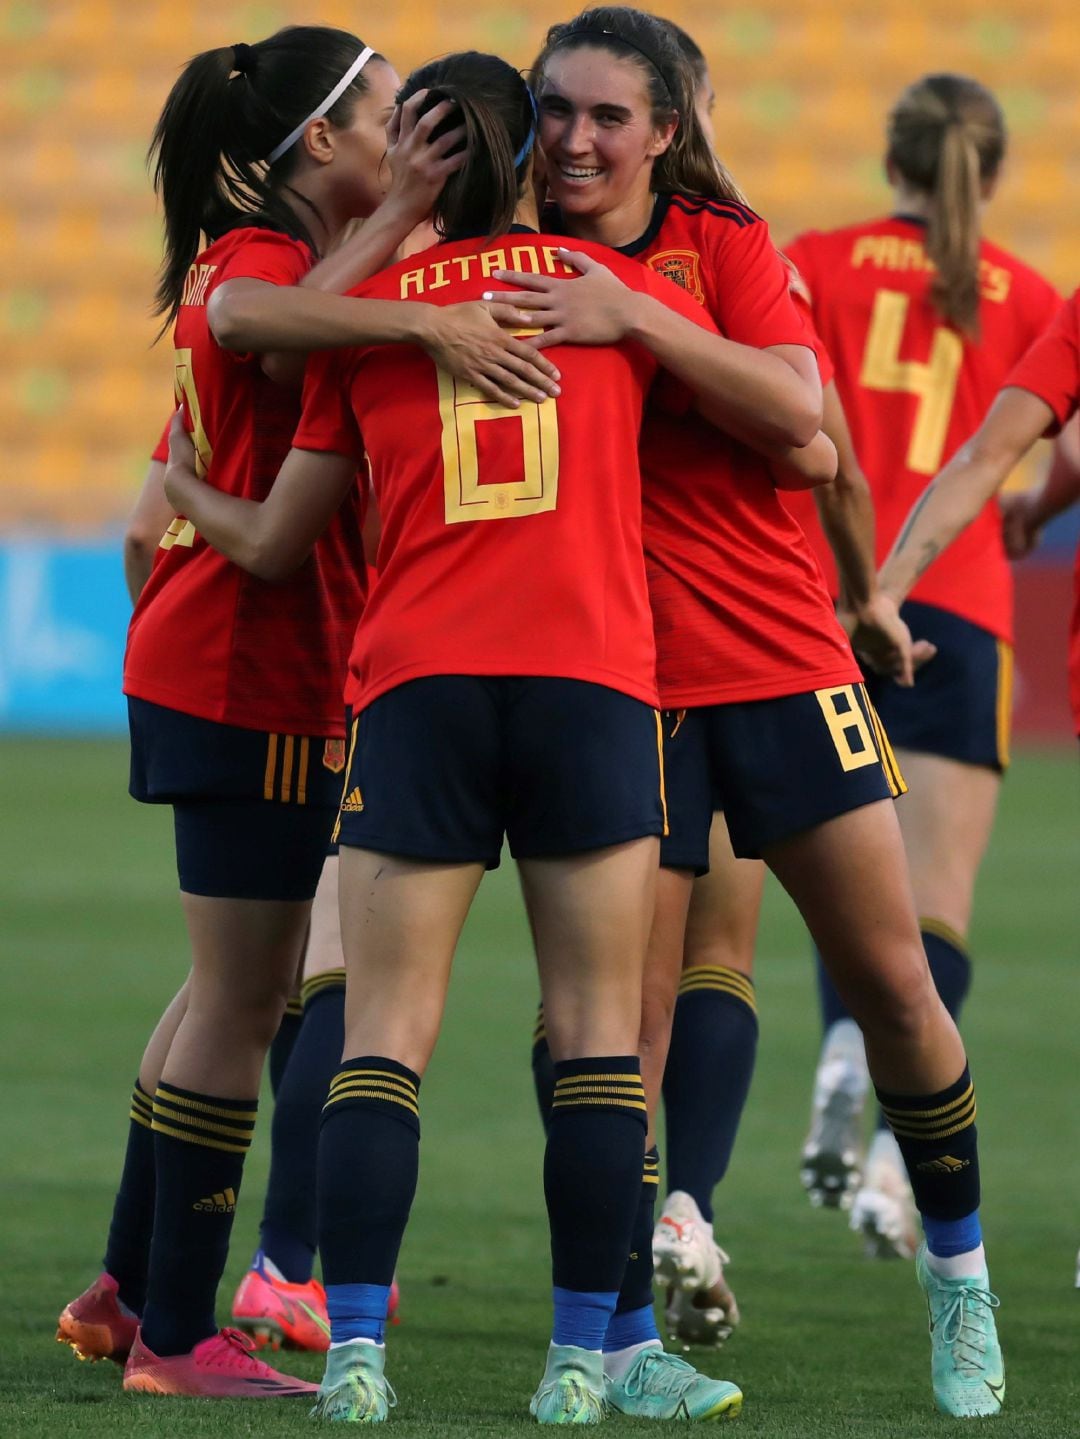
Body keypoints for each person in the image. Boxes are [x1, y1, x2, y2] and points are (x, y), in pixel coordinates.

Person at [163, 45, 746, 1428]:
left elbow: (284, 521)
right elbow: (782, 439)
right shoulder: (611, 297)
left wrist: (179, 483)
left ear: (425, 153)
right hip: (591, 686)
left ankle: (354, 1353)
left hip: (415, 689)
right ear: (534, 151)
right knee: (601, 1036)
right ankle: (577, 1362)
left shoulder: (357, 313)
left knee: (383, 1033)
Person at [495, 7, 1005, 1416]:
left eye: (609, 115)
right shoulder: (506, 243)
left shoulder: (721, 245)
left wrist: (638, 317)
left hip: (783, 661)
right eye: (557, 110)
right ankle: (601, 1337)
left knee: (895, 983)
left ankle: (959, 1278)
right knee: (611, 1026)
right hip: (614, 682)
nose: (577, 138)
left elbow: (805, 416)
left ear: (667, 129)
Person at [56, 24, 558, 1401]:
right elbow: (258, 344)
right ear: (321, 144)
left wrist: (398, 229)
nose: (410, 141)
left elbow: (251, 365)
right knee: (245, 997)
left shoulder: (277, 253)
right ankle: (175, 1334)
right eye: (392, 118)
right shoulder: (268, 263)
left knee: (222, 990)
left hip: (211, 663)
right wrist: (422, 298)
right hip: (254, 675)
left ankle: (125, 1287)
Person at [783, 73, 1062, 1255]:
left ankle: (847, 1042)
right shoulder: (1038, 294)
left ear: (889, 158)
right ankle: (904, 1158)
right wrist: (1036, 508)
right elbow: (1046, 449)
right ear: (990, 175)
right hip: (968, 610)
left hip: (828, 604)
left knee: (846, 887)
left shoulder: (814, 258)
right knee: (936, 902)